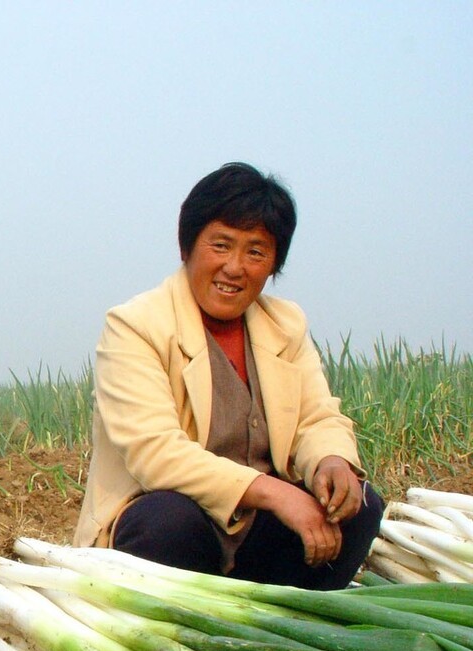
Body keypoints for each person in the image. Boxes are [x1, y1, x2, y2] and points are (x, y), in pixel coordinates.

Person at [74, 162, 384, 589]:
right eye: (221, 245)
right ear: (187, 248)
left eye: (256, 252)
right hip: (178, 524)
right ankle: (185, 625)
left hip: (256, 530)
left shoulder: (284, 324)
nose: (235, 267)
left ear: (273, 265)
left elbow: (316, 417)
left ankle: (284, 620)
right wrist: (277, 493)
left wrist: (330, 460)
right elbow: (156, 453)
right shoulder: (136, 325)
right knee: (167, 522)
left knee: (359, 506)